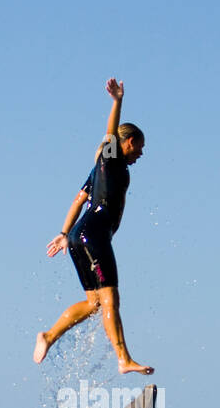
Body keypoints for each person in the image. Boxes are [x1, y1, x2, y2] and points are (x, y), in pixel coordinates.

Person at [33, 79, 154, 374]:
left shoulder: (100, 167)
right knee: (111, 297)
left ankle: (48, 335)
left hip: (79, 235)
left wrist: (65, 234)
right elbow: (111, 133)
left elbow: (78, 200)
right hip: (94, 235)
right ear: (127, 142)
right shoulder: (111, 160)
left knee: (94, 303)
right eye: (139, 146)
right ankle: (123, 359)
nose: (141, 153)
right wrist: (117, 101)